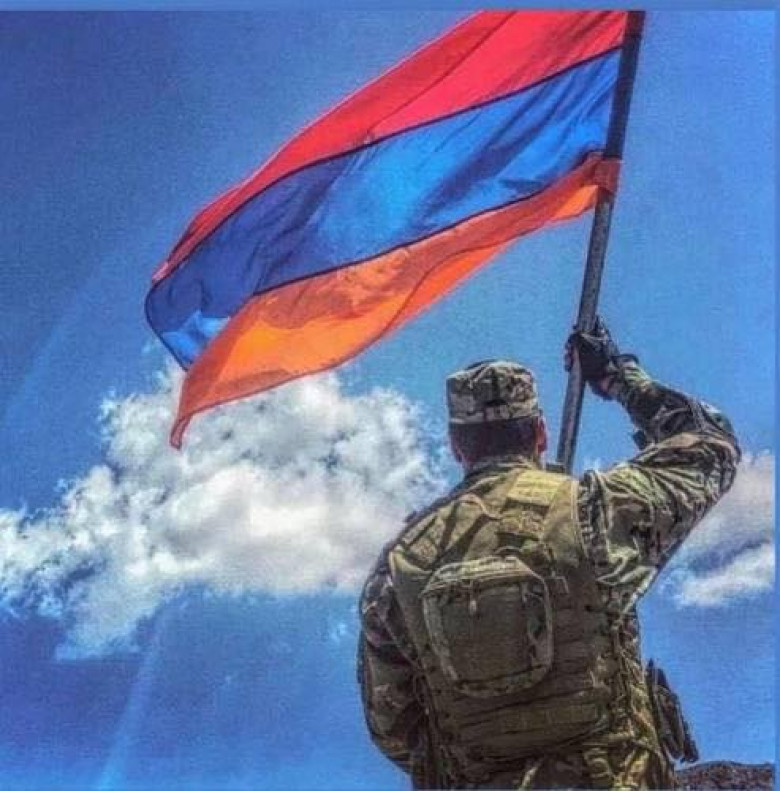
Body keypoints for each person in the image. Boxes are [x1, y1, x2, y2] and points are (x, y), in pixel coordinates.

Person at [357, 319, 740, 790]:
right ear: (540, 433)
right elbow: (711, 444)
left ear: (457, 448)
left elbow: (394, 727)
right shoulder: (593, 510)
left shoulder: (397, 568)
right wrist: (616, 376)